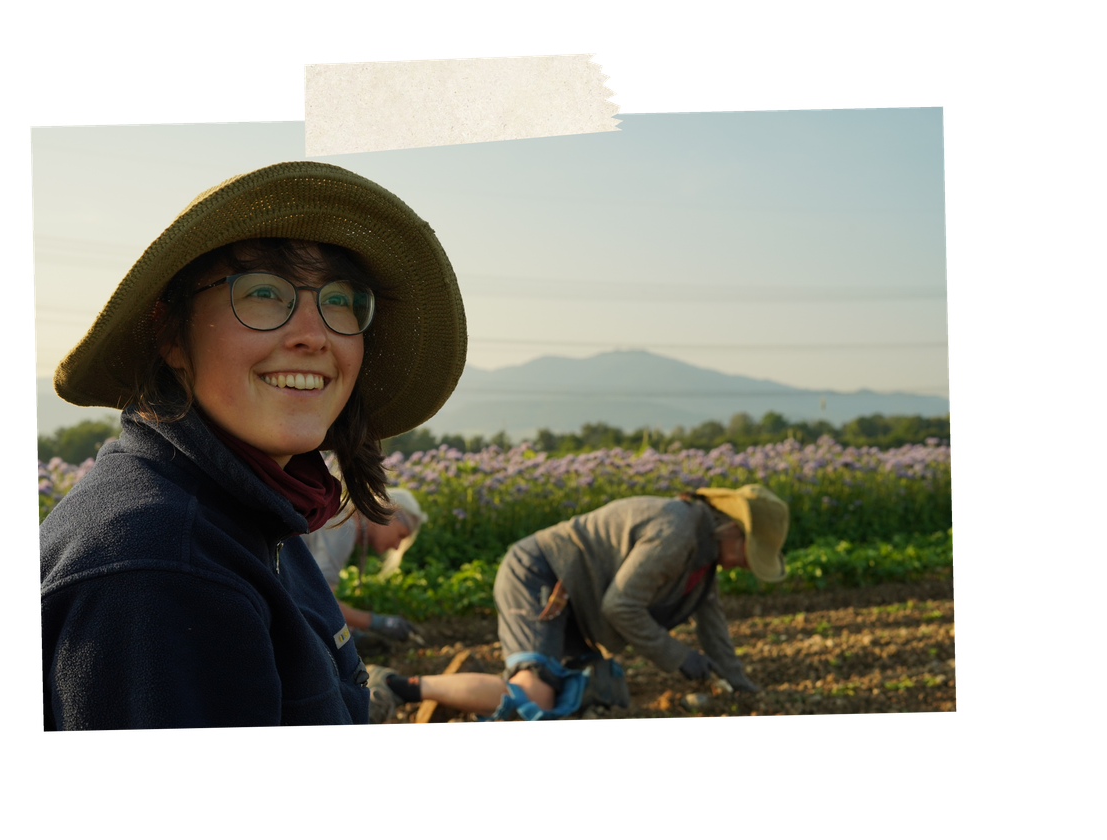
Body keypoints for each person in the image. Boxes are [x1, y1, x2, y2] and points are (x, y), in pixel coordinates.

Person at [39, 162, 466, 729]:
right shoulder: (161, 569)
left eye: (340, 299)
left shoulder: (261, 513)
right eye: (264, 292)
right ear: (171, 333)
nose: (314, 335)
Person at [374, 485, 789, 722]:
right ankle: (397, 685)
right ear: (732, 531)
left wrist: (740, 684)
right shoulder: (678, 533)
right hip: (543, 575)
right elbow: (622, 606)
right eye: (749, 553)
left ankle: (466, 686)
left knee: (603, 693)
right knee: (536, 700)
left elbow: (712, 622)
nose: (745, 565)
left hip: (578, 602)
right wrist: (680, 658)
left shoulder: (704, 556)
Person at [304, 487, 427, 642]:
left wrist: (349, 629)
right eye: (401, 535)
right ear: (388, 515)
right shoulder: (344, 526)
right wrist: (378, 622)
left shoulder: (342, 517)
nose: (397, 546)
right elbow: (319, 602)